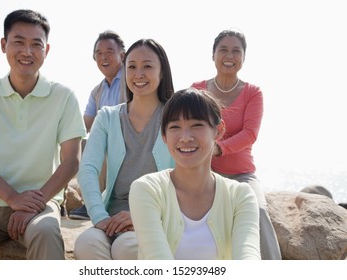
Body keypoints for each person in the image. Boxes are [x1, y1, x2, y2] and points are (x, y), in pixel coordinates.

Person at [0, 9, 86, 260]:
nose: (27, 52)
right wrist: (12, 198)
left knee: (47, 233)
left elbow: (71, 160)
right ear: (4, 45)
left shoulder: (64, 96)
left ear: (46, 51)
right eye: (18, 42)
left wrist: (33, 204)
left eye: (36, 44)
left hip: (40, 205)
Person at [129, 88, 260, 259]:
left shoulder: (240, 196)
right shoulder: (147, 190)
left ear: (219, 130)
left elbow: (248, 257)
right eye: (175, 127)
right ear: (164, 135)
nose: (185, 137)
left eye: (196, 125)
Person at [74, 38, 175, 259]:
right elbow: (88, 169)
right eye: (131, 66)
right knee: (86, 244)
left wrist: (141, 215)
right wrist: (100, 217)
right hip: (110, 216)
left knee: (126, 247)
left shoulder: (175, 117)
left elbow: (184, 177)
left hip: (155, 216)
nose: (138, 73)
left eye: (147, 66)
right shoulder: (107, 117)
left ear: (162, 72)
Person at [191, 29, 281, 260]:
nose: (229, 55)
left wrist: (219, 148)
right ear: (213, 55)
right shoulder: (197, 89)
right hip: (204, 173)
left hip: (242, 174)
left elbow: (250, 133)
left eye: (236, 51)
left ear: (243, 57)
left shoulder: (253, 93)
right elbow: (188, 129)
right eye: (223, 50)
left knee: (258, 210)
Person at [69, 30, 126, 220]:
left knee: (103, 145)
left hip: (132, 139)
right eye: (98, 53)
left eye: (109, 51)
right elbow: (86, 124)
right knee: (83, 143)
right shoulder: (97, 91)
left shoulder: (131, 79)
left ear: (122, 55)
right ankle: (90, 202)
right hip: (109, 140)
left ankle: (97, 203)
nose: (103, 57)